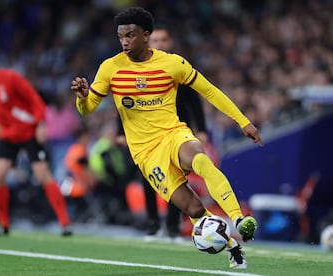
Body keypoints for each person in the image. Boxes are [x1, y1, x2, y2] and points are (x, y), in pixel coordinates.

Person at [71, 7, 263, 269]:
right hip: (146, 154)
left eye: (130, 35)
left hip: (173, 134)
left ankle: (239, 219)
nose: (125, 41)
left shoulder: (173, 63)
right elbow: (88, 108)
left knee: (201, 160)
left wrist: (244, 121)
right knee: (194, 210)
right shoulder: (110, 67)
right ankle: (233, 246)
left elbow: (210, 92)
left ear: (146, 35)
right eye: (121, 36)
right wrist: (82, 98)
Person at [0, 47, 72, 236]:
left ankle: (65, 223)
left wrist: (40, 124)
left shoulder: (9, 77)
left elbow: (33, 98)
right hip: (7, 135)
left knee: (42, 174)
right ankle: (3, 224)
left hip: (29, 131)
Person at [140, 25, 209, 240]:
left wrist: (202, 129)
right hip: (147, 135)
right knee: (148, 179)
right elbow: (126, 104)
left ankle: (172, 227)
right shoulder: (138, 69)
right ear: (148, 43)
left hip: (177, 132)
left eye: (164, 40)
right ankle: (152, 225)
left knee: (178, 179)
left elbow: (194, 100)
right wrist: (120, 131)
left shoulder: (177, 66)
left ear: (169, 43)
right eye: (156, 40)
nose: (160, 44)